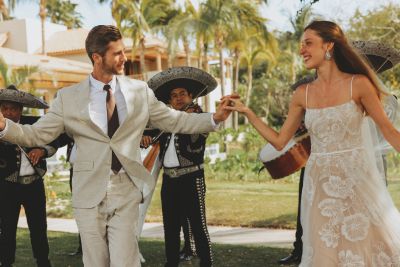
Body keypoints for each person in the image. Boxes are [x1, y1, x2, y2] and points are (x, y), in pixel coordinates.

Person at [0, 25, 231, 267]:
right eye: (117, 53)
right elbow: (36, 134)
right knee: (96, 262)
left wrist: (214, 118)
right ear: (97, 58)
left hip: (125, 187)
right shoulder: (68, 97)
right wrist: (4, 125)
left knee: (125, 261)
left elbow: (174, 120)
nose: (125, 58)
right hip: (88, 191)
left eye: (124, 51)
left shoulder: (139, 91)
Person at [225, 20, 400, 266]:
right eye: (301, 44)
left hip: (358, 181)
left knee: (366, 250)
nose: (301, 50)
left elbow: (389, 131)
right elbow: (279, 141)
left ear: (329, 45)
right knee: (324, 252)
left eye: (308, 43)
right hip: (319, 185)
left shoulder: (358, 84)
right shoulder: (302, 94)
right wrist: (248, 112)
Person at [142, 83, 213, 267]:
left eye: (183, 94)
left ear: (191, 96)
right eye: (174, 96)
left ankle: (207, 263)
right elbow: (148, 132)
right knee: (171, 227)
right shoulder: (167, 121)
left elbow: (203, 122)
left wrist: (187, 116)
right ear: (170, 102)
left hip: (191, 178)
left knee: (199, 227)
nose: (179, 98)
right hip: (169, 181)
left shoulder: (198, 117)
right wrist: (145, 137)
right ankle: (171, 263)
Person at [0, 85, 56, 267]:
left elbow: (58, 138)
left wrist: (42, 150)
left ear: (21, 109)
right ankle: (6, 262)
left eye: (13, 108)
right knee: (6, 229)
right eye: (4, 108)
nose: (8, 112)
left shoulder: (35, 124)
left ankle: (43, 262)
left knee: (39, 228)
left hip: (34, 185)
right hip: (7, 186)